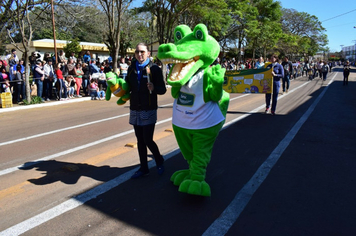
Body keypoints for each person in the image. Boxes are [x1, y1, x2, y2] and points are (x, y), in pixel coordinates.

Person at [126, 43, 167, 179]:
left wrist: (154, 87)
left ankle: (159, 159)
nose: (140, 54)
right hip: (135, 108)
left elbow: (163, 89)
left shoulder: (154, 69)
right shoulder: (131, 68)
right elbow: (127, 86)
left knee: (147, 139)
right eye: (137, 52)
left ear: (148, 53)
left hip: (148, 108)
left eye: (142, 52)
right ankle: (144, 168)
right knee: (140, 140)